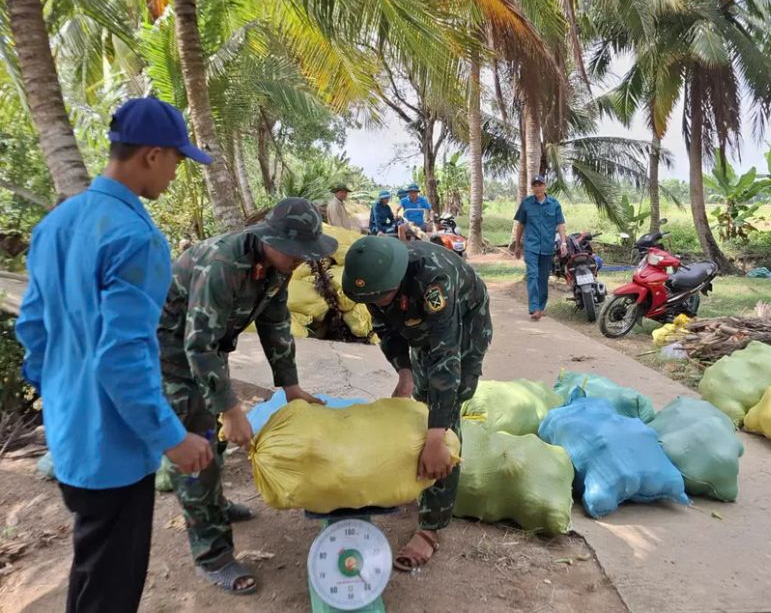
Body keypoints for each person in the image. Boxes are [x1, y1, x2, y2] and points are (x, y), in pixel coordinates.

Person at [15, 97, 215, 613]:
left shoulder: (57, 224)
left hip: (69, 435)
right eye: (176, 160)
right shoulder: (137, 238)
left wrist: (62, 396)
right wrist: (173, 438)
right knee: (112, 588)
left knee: (93, 566)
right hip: (114, 449)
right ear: (152, 155)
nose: (175, 173)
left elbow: (33, 329)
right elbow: (121, 358)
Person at [157, 197, 337, 595]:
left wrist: (291, 387)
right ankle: (213, 555)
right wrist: (230, 410)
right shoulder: (224, 265)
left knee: (213, 441)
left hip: (206, 349)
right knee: (198, 444)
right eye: (295, 252)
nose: (301, 260)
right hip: (169, 351)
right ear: (271, 239)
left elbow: (275, 323)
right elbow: (197, 346)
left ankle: (214, 507)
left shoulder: (277, 263)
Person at [342, 237, 492, 572]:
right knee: (421, 399)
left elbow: (446, 359)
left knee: (446, 409)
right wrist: (404, 374)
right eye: (372, 300)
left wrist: (436, 436)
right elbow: (387, 330)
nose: (377, 303)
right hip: (422, 324)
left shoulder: (433, 282)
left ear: (397, 280)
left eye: (382, 297)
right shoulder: (373, 285)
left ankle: (432, 526)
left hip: (464, 321)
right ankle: (424, 472)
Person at [513, 175, 567, 321]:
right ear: (532, 188)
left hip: (547, 247)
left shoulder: (554, 204)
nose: (537, 188)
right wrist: (518, 245)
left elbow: (560, 224)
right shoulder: (526, 204)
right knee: (532, 275)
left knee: (543, 278)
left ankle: (541, 308)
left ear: (545, 186)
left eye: (540, 184)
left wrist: (563, 243)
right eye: (535, 185)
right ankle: (534, 308)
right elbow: (521, 225)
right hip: (531, 246)